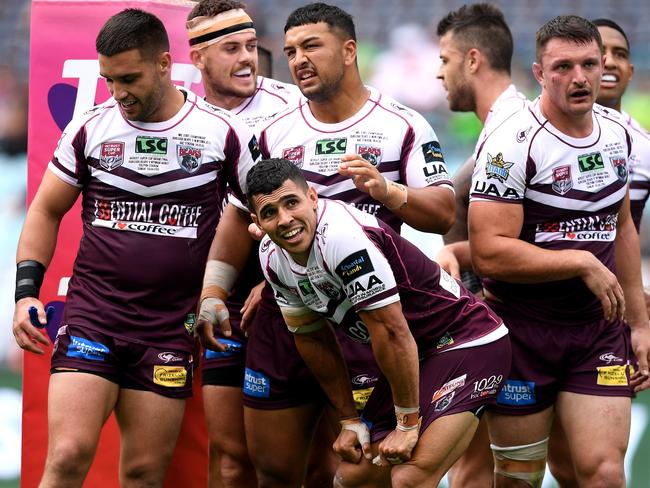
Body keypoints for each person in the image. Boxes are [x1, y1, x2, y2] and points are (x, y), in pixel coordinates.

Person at [196, 3, 456, 486]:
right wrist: (214, 290)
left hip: (365, 321)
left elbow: (443, 211)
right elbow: (237, 216)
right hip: (287, 318)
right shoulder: (273, 131)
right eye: (291, 51)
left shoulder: (403, 125)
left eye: (312, 46)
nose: (299, 60)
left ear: (350, 50)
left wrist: (389, 191)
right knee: (270, 469)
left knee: (347, 470)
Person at [11, 9, 258, 487]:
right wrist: (25, 291)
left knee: (144, 474)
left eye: (129, 78)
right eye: (107, 79)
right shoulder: (90, 128)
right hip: (94, 317)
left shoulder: (222, 132)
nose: (118, 92)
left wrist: (245, 288)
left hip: (171, 328)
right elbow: (44, 211)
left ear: (165, 64)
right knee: (66, 455)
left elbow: (260, 214)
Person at [245, 157, 510, 488]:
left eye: (291, 203)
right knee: (352, 480)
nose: (285, 220)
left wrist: (407, 424)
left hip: (467, 343)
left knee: (408, 478)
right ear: (257, 221)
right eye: (270, 213)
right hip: (418, 355)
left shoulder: (342, 238)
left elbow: (392, 332)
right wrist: (348, 420)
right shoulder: (271, 256)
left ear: (312, 197)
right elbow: (313, 339)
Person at [469, 15, 650, 487]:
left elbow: (624, 228)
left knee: (604, 473)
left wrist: (639, 323)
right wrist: (579, 261)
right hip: (522, 334)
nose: (580, 77)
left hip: (597, 332)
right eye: (563, 66)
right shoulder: (510, 144)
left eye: (590, 64)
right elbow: (488, 252)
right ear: (539, 73)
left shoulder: (618, 134)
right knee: (517, 479)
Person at [185, 2, 302, 486]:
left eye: (251, 47)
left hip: (289, 293)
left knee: (304, 463)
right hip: (218, 298)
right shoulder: (176, 114)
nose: (247, 58)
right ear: (197, 58)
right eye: (231, 48)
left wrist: (275, 281)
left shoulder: (292, 109)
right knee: (230, 458)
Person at [433, 5, 527, 486]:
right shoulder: (500, 127)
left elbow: (519, 239)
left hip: (513, 323)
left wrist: (457, 256)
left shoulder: (513, 131)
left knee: (481, 467)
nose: (438, 71)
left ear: (472, 60)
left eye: (445, 58)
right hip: (491, 318)